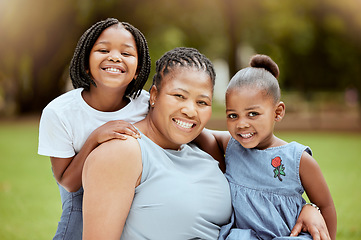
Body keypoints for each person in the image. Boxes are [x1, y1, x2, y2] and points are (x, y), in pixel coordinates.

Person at [81, 48, 332, 240]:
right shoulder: (123, 152)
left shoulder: (204, 149)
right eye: (179, 96)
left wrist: (310, 208)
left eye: (202, 102)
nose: (190, 110)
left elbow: (265, 157)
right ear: (154, 96)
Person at [196, 54, 337, 240]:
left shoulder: (297, 159)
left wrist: (319, 222)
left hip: (289, 235)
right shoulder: (230, 145)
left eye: (252, 114)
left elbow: (325, 206)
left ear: (277, 112)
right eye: (232, 115)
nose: (241, 124)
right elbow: (198, 130)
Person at [37, 18, 151, 240]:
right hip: (82, 206)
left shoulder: (148, 106)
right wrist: (96, 138)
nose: (115, 57)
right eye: (103, 49)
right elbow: (69, 183)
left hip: (138, 202)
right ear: (86, 62)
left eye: (126, 53)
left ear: (138, 69)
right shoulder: (60, 112)